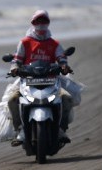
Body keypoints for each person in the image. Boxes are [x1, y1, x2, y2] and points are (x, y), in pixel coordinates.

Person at [8, 9, 73, 147]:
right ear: (33, 23)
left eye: (44, 21)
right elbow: (16, 60)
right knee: (12, 100)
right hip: (27, 82)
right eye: (38, 21)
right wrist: (14, 68)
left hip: (52, 82)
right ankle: (20, 130)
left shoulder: (54, 43)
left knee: (67, 99)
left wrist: (64, 66)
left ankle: (61, 129)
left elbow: (62, 59)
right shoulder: (25, 42)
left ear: (48, 23)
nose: (41, 24)